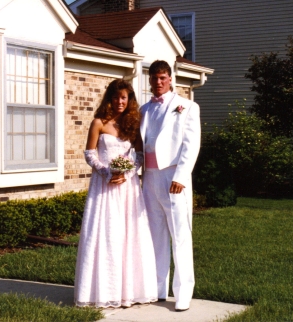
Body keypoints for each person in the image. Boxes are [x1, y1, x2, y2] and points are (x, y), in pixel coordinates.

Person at [74, 79, 157, 308]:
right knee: (106, 235)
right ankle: (102, 291)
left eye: (124, 97)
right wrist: (107, 172)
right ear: (109, 98)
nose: (120, 102)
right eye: (116, 97)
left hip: (128, 189)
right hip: (104, 187)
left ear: (129, 100)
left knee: (128, 235)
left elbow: (139, 156)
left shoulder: (133, 124)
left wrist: (127, 174)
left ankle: (129, 291)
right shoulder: (98, 123)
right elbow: (90, 154)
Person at [140, 60, 201, 312]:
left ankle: (183, 292)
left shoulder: (187, 106)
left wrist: (180, 176)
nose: (158, 82)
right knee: (156, 235)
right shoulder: (144, 109)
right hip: (150, 177)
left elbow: (191, 144)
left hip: (173, 177)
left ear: (170, 78)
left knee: (180, 235)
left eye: (162, 77)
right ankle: (157, 288)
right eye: (154, 77)